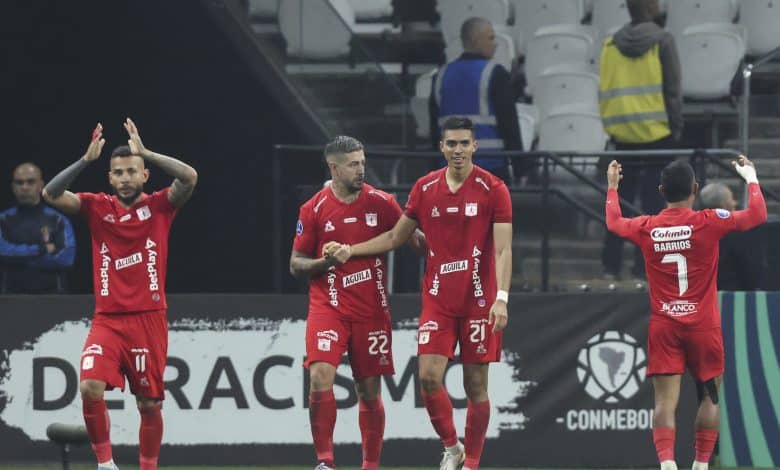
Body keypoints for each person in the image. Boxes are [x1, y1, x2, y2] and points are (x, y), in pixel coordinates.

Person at [325, 117, 513, 470]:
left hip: (479, 300)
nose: (458, 150)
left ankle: (471, 463)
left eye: (464, 144)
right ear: (441, 147)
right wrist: (352, 250)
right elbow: (397, 237)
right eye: (451, 144)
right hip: (439, 301)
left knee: (476, 386)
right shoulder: (425, 188)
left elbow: (504, 249)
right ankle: (452, 447)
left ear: (475, 147)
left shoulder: (493, 189)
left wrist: (502, 297)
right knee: (428, 378)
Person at [42, 119, 198, 470]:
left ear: (144, 175)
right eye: (118, 172)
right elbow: (50, 195)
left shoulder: (161, 207)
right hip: (108, 320)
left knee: (149, 404)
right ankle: (106, 465)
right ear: (110, 178)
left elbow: (189, 177)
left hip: (148, 318)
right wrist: (84, 161)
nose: (125, 177)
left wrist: (148, 152)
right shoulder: (97, 207)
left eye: (132, 170)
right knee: (89, 387)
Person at [605, 156, 766, 470]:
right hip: (703, 326)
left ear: (661, 190)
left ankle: (667, 464)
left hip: (665, 325)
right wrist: (751, 177)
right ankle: (701, 464)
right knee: (710, 397)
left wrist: (612, 188)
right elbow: (758, 215)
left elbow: (613, 222)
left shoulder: (647, 226)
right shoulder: (709, 220)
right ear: (695, 189)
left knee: (665, 402)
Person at [290, 136, 424, 470]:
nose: (361, 169)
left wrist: (430, 233)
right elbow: (296, 264)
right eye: (353, 164)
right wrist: (325, 264)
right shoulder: (314, 208)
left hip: (371, 310)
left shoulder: (382, 202)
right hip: (328, 308)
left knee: (369, 391)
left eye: (362, 162)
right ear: (333, 168)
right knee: (321, 376)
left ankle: (370, 465)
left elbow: (414, 241)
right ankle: (324, 462)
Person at [599, 0, 683, 280]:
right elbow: (672, 90)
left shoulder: (610, 44)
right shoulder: (663, 40)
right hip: (658, 135)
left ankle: (610, 265)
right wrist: (676, 128)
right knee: (652, 204)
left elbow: (604, 88)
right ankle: (643, 267)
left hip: (622, 136)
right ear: (649, 6)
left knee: (618, 202)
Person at [429, 17, 523, 185]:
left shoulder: (440, 76)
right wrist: (521, 167)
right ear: (475, 40)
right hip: (490, 167)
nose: (495, 44)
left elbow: (433, 128)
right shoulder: (495, 74)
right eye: (491, 38)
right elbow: (509, 125)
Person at [0, 162, 75, 293]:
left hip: (53, 299)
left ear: (40, 185)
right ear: (13, 186)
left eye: (30, 182)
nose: (25, 187)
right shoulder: (3, 220)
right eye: (20, 182)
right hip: (10, 301)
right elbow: (2, 252)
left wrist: (18, 262)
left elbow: (66, 259)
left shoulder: (58, 220)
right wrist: (40, 249)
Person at [699, 183, 762, 290]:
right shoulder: (736, 234)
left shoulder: (693, 231)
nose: (735, 203)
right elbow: (748, 273)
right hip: (731, 298)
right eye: (732, 199)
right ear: (723, 205)